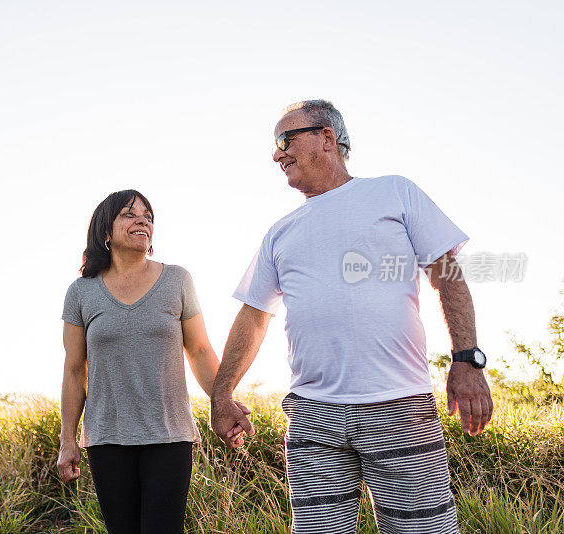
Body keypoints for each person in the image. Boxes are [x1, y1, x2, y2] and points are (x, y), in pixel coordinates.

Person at [210, 100, 493, 534]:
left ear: (326, 137)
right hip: (312, 416)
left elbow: (448, 275)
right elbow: (253, 316)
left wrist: (467, 359)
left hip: (399, 406)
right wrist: (222, 393)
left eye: (285, 140)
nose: (276, 154)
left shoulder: (395, 192)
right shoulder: (280, 233)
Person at [57, 189, 246, 534]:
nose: (143, 220)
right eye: (129, 214)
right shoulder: (81, 292)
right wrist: (67, 439)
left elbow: (200, 350)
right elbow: (74, 370)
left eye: (148, 215)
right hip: (106, 437)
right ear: (105, 231)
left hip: (169, 435)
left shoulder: (177, 280)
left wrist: (224, 400)